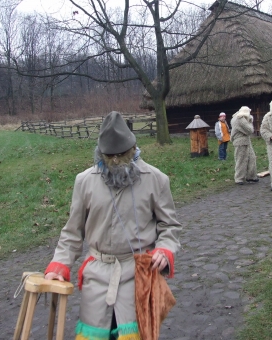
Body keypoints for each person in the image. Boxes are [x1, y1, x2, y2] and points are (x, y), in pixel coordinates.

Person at [44, 111, 181, 339]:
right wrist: (59, 265)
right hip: (97, 276)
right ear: (100, 153)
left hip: (138, 275)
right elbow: (72, 233)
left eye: (121, 155)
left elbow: (170, 226)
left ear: (133, 150)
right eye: (110, 156)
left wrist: (165, 250)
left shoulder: (156, 179)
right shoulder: (85, 181)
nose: (116, 161)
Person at [230, 106, 258, 185]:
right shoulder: (240, 119)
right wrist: (250, 121)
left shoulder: (239, 118)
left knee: (251, 158)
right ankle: (239, 178)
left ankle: (251, 176)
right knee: (241, 159)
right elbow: (250, 130)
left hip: (246, 141)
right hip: (240, 141)